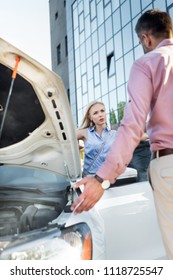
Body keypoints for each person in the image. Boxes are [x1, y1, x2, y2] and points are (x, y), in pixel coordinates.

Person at [71, 9, 173, 259]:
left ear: (146, 38)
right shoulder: (85, 132)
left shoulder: (147, 63)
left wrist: (102, 180)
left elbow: (132, 127)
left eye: (140, 43)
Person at [76, 101, 116, 176]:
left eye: (102, 111)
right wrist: (75, 147)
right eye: (95, 113)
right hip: (90, 178)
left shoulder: (114, 134)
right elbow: (66, 139)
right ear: (90, 117)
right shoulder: (85, 132)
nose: (100, 115)